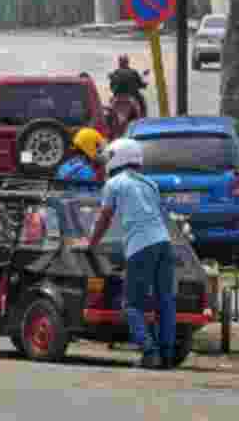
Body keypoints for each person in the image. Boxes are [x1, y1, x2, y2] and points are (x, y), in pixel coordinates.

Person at [88, 138, 176, 369]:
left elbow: (105, 218)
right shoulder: (150, 184)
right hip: (164, 244)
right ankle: (167, 354)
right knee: (164, 301)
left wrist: (91, 243)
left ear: (118, 158)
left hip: (140, 246)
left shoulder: (114, 184)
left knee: (131, 305)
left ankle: (149, 350)